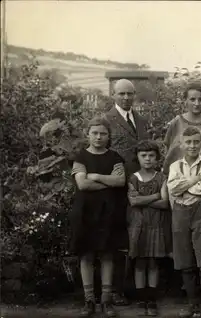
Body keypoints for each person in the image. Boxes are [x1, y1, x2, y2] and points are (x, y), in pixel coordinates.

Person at [70, 117, 127, 317]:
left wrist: (96, 177)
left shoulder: (115, 157)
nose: (98, 137)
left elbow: (120, 181)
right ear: (88, 134)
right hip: (85, 211)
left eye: (103, 133)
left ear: (108, 136)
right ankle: (89, 301)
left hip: (108, 211)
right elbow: (82, 185)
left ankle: (106, 300)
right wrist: (107, 183)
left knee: (107, 254)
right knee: (86, 254)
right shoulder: (80, 157)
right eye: (94, 133)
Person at [105, 78, 150, 306]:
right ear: (113, 95)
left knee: (137, 235)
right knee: (117, 238)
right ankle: (113, 290)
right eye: (121, 94)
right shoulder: (105, 121)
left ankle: (132, 288)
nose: (126, 98)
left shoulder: (141, 121)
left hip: (139, 187)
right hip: (115, 190)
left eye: (129, 94)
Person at [167, 127, 201, 318]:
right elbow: (173, 189)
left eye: (196, 142)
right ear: (181, 144)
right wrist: (194, 180)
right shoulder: (174, 166)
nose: (192, 146)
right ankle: (192, 304)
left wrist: (184, 186)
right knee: (185, 262)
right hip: (180, 213)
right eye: (188, 142)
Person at [127, 140, 170, 317]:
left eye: (151, 155)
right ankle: (141, 298)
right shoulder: (132, 178)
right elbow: (133, 201)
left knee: (153, 262)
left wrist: (143, 199)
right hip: (138, 225)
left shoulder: (162, 177)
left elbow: (165, 203)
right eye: (143, 155)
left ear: (157, 158)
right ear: (137, 157)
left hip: (156, 225)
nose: (147, 159)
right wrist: (155, 196)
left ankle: (151, 299)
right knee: (139, 263)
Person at [162, 82, 201, 175]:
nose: (197, 103)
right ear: (185, 101)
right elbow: (168, 151)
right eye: (192, 99)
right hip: (179, 180)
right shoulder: (176, 122)